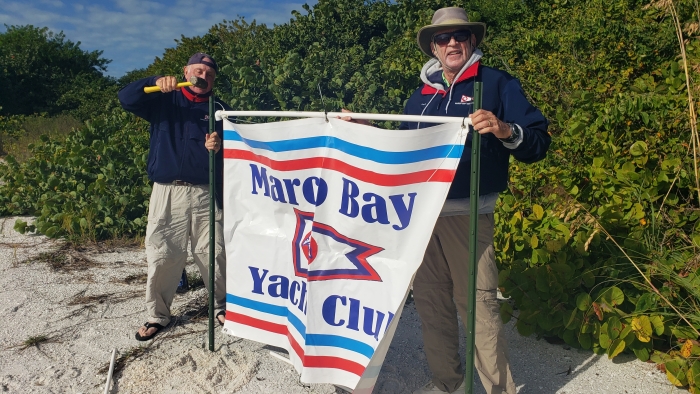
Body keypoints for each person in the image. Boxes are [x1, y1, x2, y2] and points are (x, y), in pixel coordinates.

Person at [343, 7, 550, 394]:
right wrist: (370, 131)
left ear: (471, 41)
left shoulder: (497, 83)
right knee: (431, 305)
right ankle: (448, 383)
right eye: (443, 38)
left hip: (468, 216)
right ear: (433, 48)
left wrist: (506, 130)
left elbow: (538, 142)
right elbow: (404, 150)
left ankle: (495, 391)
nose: (452, 42)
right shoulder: (418, 97)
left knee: (479, 308)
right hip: (418, 220)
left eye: (460, 36)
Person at [118, 52, 231, 341]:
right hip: (166, 191)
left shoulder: (219, 108)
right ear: (185, 71)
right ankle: (158, 315)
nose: (202, 76)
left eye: (208, 73)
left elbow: (234, 153)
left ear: (213, 80)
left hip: (207, 192)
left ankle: (221, 307)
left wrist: (220, 146)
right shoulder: (163, 98)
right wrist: (155, 81)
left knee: (215, 254)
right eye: (197, 70)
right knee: (163, 254)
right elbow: (126, 98)